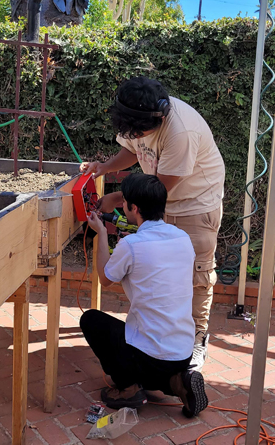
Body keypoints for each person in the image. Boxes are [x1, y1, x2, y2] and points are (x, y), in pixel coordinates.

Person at [81, 77, 225, 371]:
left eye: (141, 131)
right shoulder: (139, 118)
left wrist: (115, 199)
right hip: (160, 202)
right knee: (162, 274)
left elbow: (160, 188)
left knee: (196, 274)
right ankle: (161, 341)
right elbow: (133, 151)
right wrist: (104, 167)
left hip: (194, 206)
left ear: (157, 117)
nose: (137, 135)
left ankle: (196, 341)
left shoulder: (180, 132)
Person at [80, 173, 208, 417]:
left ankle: (128, 388)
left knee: (91, 320)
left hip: (147, 357)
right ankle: (177, 382)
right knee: (157, 362)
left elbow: (105, 279)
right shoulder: (182, 238)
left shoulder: (131, 246)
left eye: (125, 203)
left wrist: (102, 234)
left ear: (134, 208)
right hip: (183, 351)